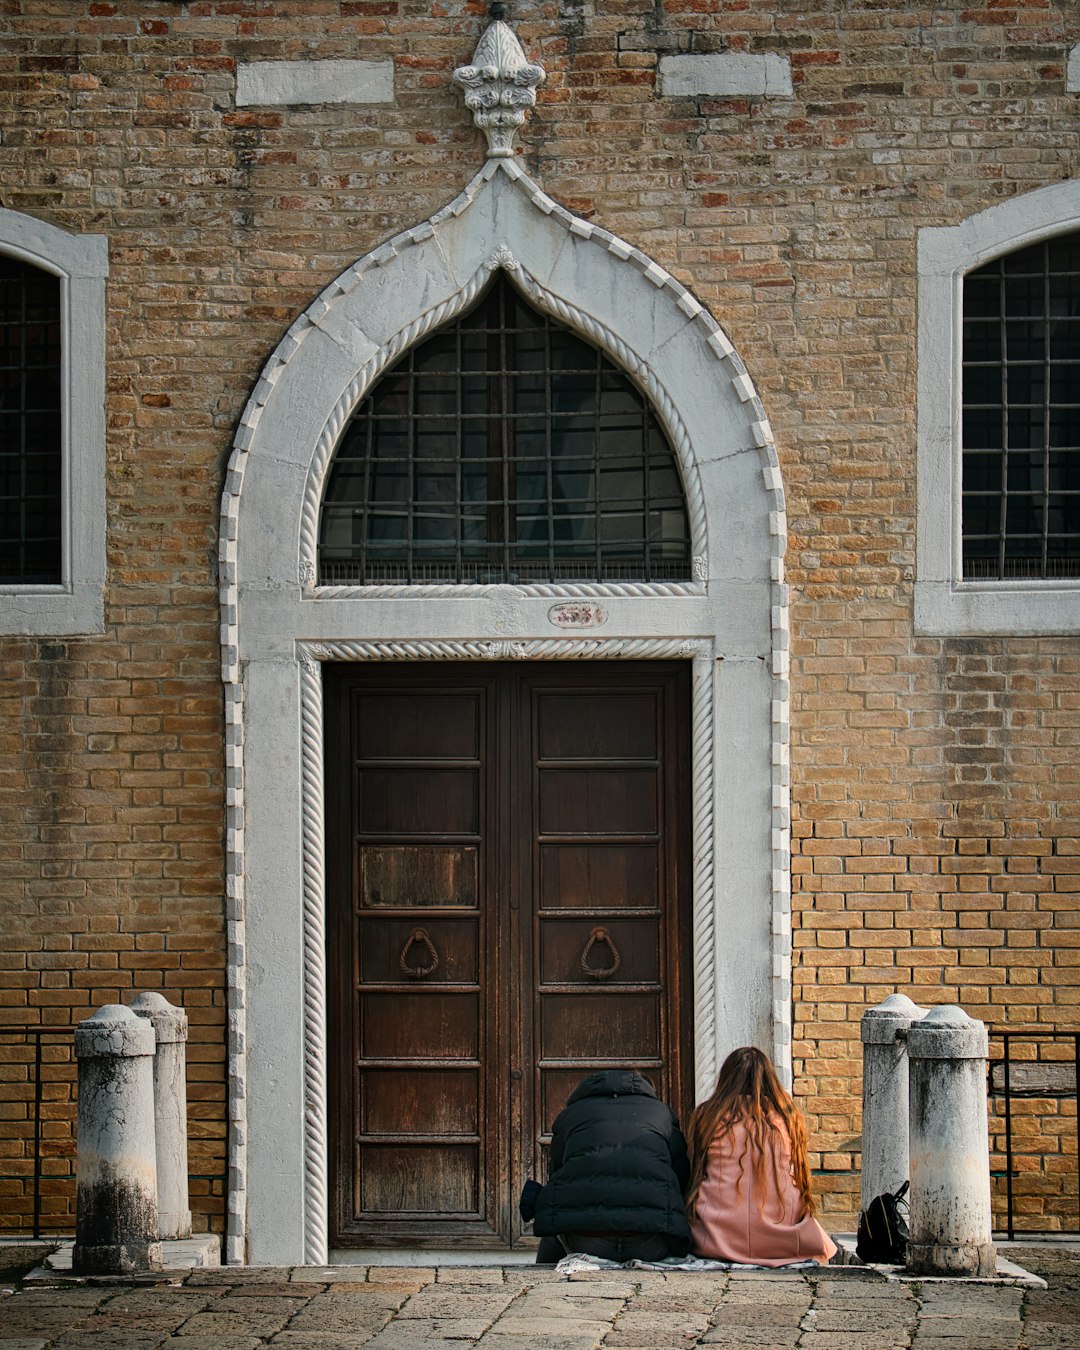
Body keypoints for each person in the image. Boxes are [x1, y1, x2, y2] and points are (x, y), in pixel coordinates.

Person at [685, 1045, 837, 1267]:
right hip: (783, 1233)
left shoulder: (708, 1115)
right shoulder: (787, 1117)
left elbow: (695, 1172)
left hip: (716, 1235)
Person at [523, 1068, 692, 1264]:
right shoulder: (663, 1114)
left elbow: (556, 1173)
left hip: (586, 1241)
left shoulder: (570, 1115)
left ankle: (541, 1275)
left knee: (556, 1209)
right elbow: (681, 1177)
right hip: (650, 1243)